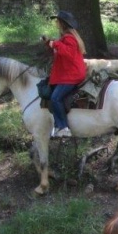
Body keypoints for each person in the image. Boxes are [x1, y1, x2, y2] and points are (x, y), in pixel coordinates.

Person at [40, 10, 86, 138]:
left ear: (62, 23)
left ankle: (63, 127)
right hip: (68, 74)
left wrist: (54, 43)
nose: (56, 23)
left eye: (57, 21)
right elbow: (61, 52)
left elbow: (68, 53)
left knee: (55, 98)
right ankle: (56, 125)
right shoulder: (67, 38)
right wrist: (50, 44)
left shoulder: (69, 38)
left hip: (72, 75)